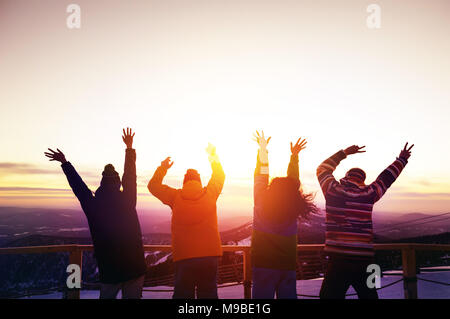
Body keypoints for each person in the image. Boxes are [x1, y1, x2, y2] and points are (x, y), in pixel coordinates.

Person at [44, 128, 147, 299]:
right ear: (118, 182)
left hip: (109, 270)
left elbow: (79, 187)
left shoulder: (93, 205)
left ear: (101, 183)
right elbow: (130, 176)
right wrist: (129, 148)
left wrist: (65, 163)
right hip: (135, 267)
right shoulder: (128, 199)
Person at [317, 142, 414, 299]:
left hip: (338, 261)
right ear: (362, 180)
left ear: (346, 177)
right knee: (370, 295)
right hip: (366, 260)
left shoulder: (332, 190)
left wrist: (344, 153)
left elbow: (322, 169)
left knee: (329, 297)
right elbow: (387, 178)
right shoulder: (369, 193)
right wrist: (401, 159)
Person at [147, 143, 225, 299]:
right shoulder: (209, 193)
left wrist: (163, 168)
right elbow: (219, 176)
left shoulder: (175, 197)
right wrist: (212, 156)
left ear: (184, 182)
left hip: (184, 257)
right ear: (199, 181)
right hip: (209, 256)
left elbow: (153, 186)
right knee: (208, 296)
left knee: (183, 297)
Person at [251, 131, 318, 299]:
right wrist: (294, 156)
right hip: (287, 264)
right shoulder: (292, 207)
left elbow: (261, 175)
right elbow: (293, 181)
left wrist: (263, 151)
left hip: (263, 263)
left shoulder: (261, 201)